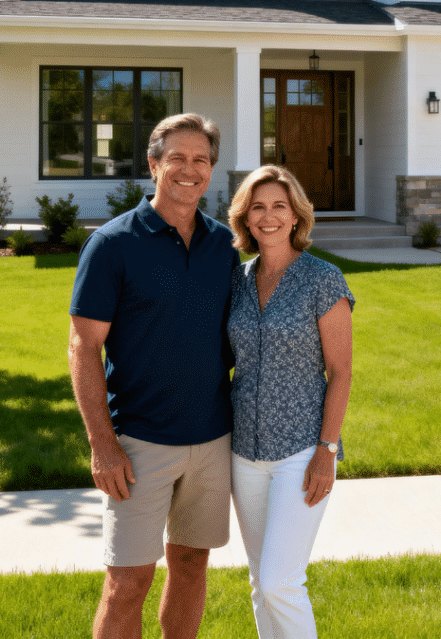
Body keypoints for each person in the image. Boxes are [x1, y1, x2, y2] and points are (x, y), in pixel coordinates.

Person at [68, 113, 238, 639]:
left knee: (190, 565)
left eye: (202, 160)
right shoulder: (113, 244)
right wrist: (102, 444)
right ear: (154, 164)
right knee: (127, 583)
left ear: (211, 169)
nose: (190, 170)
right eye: (178, 158)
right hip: (138, 445)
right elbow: (83, 347)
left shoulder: (224, 247)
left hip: (213, 440)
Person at [226, 165, 354, 639]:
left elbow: (340, 372)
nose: (268, 216)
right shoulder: (237, 280)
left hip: (301, 450)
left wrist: (327, 451)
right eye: (257, 207)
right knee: (261, 584)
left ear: (297, 216)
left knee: (282, 581)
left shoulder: (323, 279)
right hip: (244, 451)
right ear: (245, 217)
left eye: (279, 205)